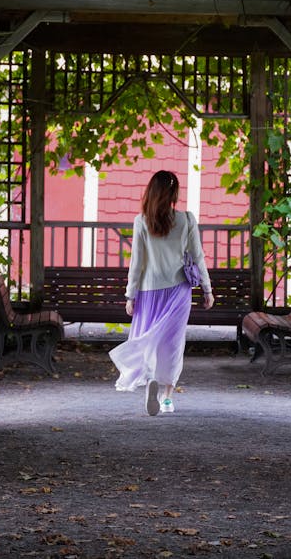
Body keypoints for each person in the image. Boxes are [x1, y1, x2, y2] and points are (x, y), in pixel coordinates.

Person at [109, 170, 215, 415]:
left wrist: (130, 295)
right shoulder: (186, 220)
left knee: (149, 340)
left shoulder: (141, 221)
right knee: (173, 344)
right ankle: (167, 397)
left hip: (149, 292)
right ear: (173, 194)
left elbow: (137, 262)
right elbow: (198, 257)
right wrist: (207, 289)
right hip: (179, 291)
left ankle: (149, 379)